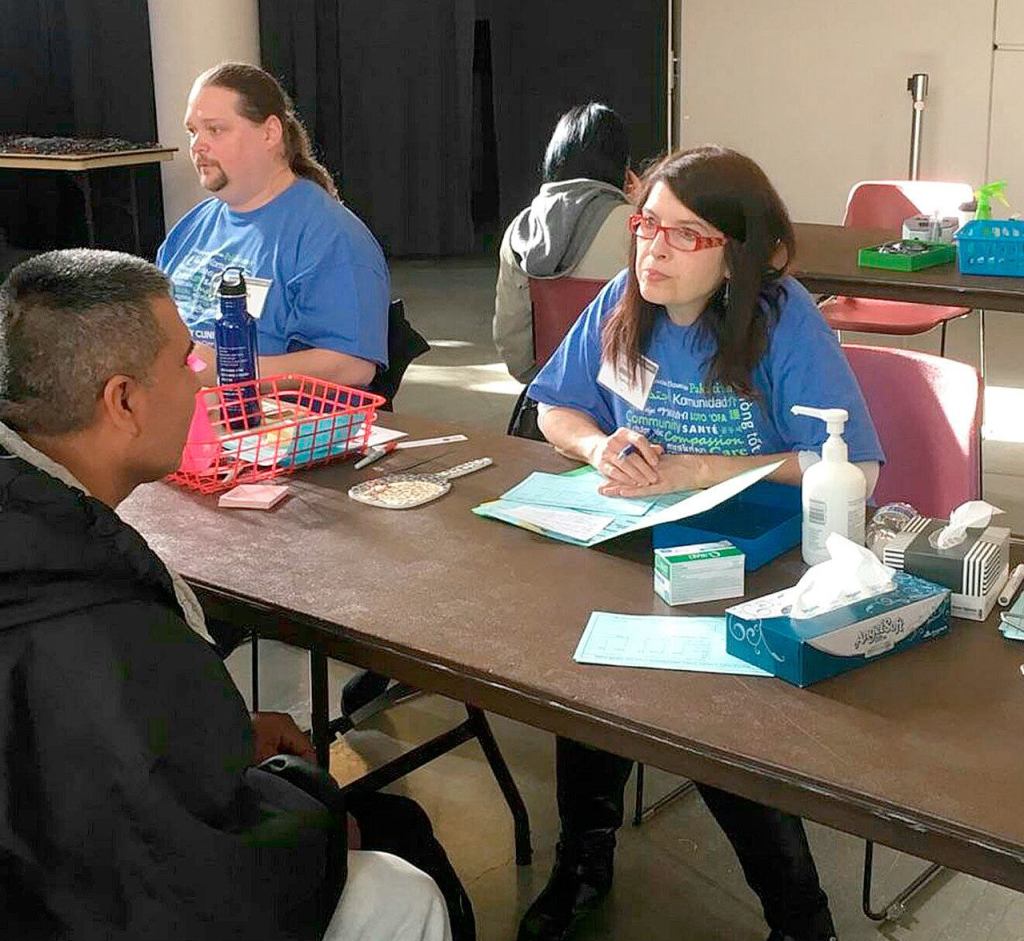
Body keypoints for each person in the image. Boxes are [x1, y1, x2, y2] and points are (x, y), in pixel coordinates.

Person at [0, 249, 461, 941]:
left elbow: (94, 753)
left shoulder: (43, 533)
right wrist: (319, 818)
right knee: (405, 882)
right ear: (123, 400)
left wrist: (222, 736)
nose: (201, 380)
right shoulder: (98, 615)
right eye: (188, 360)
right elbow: (193, 873)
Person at [520, 146, 886, 941]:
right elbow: (553, 408)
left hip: (758, 555)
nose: (653, 246)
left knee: (712, 717)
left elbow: (855, 465)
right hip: (636, 537)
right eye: (648, 223)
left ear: (736, 253)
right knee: (585, 673)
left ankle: (801, 918)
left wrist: (699, 468)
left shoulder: (781, 320)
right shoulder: (624, 298)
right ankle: (584, 857)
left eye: (686, 234)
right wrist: (597, 448)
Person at [157, 62, 388, 389]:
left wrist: (231, 372)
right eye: (193, 131)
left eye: (215, 130)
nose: (197, 145)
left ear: (269, 133)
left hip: (274, 426)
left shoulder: (330, 235)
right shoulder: (191, 228)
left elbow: (351, 366)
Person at [494, 102, 638, 384]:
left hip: (552, 389)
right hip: (630, 396)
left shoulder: (521, 229)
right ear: (622, 166)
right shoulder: (641, 227)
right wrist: (645, 205)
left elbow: (512, 340)